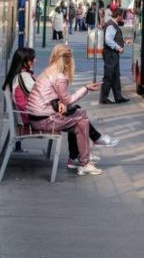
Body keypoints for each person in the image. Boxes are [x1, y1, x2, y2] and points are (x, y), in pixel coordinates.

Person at [2, 47, 118, 165]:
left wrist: (59, 103)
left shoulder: (22, 76)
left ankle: (77, 155)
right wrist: (65, 100)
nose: (34, 61)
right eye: (31, 59)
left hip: (33, 114)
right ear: (23, 61)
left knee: (75, 112)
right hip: (34, 117)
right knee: (78, 115)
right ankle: (89, 147)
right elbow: (39, 96)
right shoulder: (24, 77)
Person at [25, 44, 104, 176]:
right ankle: (84, 161)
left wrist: (60, 103)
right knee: (82, 116)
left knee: (79, 122)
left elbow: (51, 96)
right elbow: (68, 100)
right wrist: (86, 88)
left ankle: (79, 159)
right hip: (44, 120)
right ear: (69, 60)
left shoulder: (48, 71)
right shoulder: (60, 77)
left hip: (36, 117)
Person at [100, 8, 129, 105]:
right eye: (122, 16)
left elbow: (113, 38)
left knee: (116, 75)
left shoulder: (112, 24)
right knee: (108, 76)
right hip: (110, 54)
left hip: (113, 54)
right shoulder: (111, 25)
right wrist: (118, 48)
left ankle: (118, 97)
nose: (123, 18)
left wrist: (124, 42)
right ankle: (104, 98)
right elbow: (108, 40)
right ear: (119, 15)